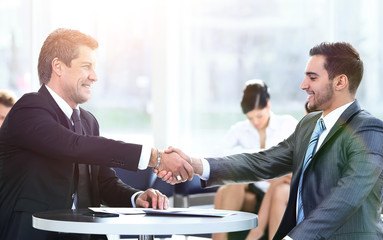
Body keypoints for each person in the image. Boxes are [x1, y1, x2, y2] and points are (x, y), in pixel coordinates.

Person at [161, 42, 383, 239]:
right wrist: (197, 164)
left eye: (312, 77)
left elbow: (345, 200)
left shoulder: (368, 129)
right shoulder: (310, 124)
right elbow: (263, 161)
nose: (303, 85)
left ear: (340, 82)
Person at [0, 28, 193, 240]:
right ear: (58, 67)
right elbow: (73, 146)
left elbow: (104, 183)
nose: (94, 76)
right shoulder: (28, 109)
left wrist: (137, 197)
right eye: (86, 67)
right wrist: (155, 157)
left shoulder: (88, 121)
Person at [211, 79, 297, 240]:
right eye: (250, 118)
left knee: (278, 184)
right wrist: (257, 157)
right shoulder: (240, 130)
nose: (256, 122)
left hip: (279, 186)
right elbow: (218, 155)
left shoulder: (287, 124)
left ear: (268, 106)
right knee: (233, 179)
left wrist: (257, 160)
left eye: (259, 115)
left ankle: (252, 233)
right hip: (252, 190)